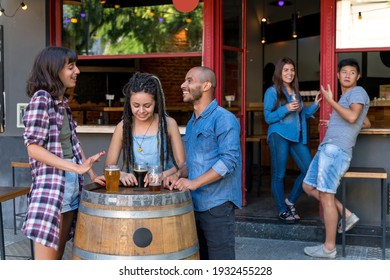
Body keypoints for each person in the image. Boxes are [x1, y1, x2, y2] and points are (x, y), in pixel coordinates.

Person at [22, 46, 105, 260]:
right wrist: (75, 167)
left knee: (57, 261)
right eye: (71, 67)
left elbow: (72, 144)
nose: (77, 71)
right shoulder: (42, 99)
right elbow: (33, 148)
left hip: (70, 186)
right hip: (51, 189)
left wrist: (91, 174)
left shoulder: (62, 104)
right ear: (54, 70)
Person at [172, 66, 242, 260]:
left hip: (217, 206)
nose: (183, 85)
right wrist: (177, 174)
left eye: (189, 80)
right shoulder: (193, 122)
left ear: (206, 85)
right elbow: (194, 162)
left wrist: (193, 183)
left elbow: (228, 162)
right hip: (194, 205)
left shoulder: (224, 119)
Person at [303, 58, 371, 258]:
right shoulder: (348, 97)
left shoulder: (358, 92)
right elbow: (363, 121)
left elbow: (352, 117)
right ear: (338, 75)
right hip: (327, 148)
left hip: (336, 150)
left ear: (358, 76)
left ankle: (329, 248)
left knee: (326, 196)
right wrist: (338, 122)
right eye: (344, 72)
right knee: (308, 187)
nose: (347, 75)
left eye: (352, 72)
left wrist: (331, 101)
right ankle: (347, 215)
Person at [101, 72, 186, 188]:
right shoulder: (123, 127)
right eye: (136, 105)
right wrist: (121, 174)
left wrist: (162, 175)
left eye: (147, 106)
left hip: (163, 188)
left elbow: (182, 164)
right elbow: (108, 166)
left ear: (156, 102)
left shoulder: (169, 124)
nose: (141, 111)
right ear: (129, 104)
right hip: (133, 190)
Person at [264, 57, 321, 222]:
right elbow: (268, 117)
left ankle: (290, 201)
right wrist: (285, 108)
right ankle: (282, 209)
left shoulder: (295, 92)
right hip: (278, 135)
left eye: (292, 70)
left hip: (296, 137)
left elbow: (302, 115)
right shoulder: (272, 91)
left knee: (309, 170)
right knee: (279, 174)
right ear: (279, 73)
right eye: (286, 70)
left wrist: (315, 105)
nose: (290, 73)